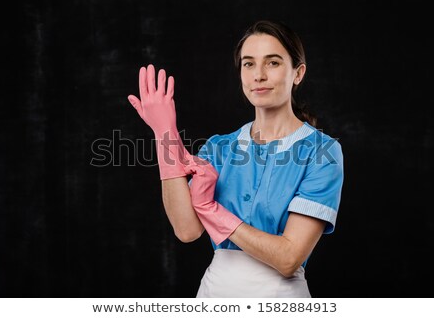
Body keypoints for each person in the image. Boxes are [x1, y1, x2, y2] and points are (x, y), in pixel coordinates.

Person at [127, 20, 344, 297]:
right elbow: (186, 230)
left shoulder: (321, 151)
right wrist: (164, 134)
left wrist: (211, 209)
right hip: (214, 295)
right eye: (248, 64)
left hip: (280, 299)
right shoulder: (219, 147)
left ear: (298, 73)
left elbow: (288, 259)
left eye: (273, 63)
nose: (259, 75)